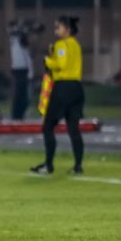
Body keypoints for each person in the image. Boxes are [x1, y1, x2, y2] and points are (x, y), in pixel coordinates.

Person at [31, 15, 84, 175]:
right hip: (76, 88)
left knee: (48, 127)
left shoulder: (61, 45)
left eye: (58, 27)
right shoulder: (76, 45)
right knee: (73, 129)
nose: (56, 31)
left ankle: (48, 165)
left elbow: (60, 65)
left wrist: (48, 60)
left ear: (67, 29)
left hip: (63, 88)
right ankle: (77, 166)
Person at [8, 23, 33, 120]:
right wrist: (21, 29)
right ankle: (16, 116)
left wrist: (30, 73)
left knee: (24, 97)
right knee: (18, 96)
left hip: (24, 71)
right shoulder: (14, 40)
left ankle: (20, 115)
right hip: (17, 70)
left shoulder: (24, 46)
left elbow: (28, 60)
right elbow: (11, 31)